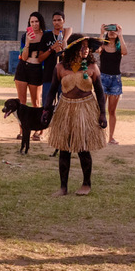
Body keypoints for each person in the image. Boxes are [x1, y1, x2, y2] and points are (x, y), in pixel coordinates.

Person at [46, 35, 107, 196]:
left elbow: (100, 92)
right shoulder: (60, 67)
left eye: (87, 47)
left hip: (85, 109)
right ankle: (63, 187)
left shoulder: (92, 67)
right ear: (73, 48)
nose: (85, 49)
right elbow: (52, 90)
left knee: (83, 148)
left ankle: (86, 184)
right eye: (82, 46)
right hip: (65, 109)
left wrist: (103, 114)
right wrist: (46, 110)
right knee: (64, 148)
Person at [98, 24, 127, 144]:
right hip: (103, 78)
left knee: (112, 111)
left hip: (116, 80)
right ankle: (99, 136)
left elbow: (125, 52)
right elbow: (96, 49)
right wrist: (101, 33)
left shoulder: (119, 47)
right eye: (110, 30)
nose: (111, 32)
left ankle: (111, 137)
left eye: (114, 30)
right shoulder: (103, 46)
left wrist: (120, 35)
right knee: (101, 109)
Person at [13, 12, 48, 109]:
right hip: (23, 68)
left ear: (40, 22)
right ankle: (22, 124)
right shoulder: (25, 36)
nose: (34, 24)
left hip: (37, 69)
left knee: (36, 103)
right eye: (32, 22)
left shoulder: (46, 35)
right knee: (22, 103)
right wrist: (28, 42)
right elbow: (23, 57)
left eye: (36, 21)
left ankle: (36, 124)